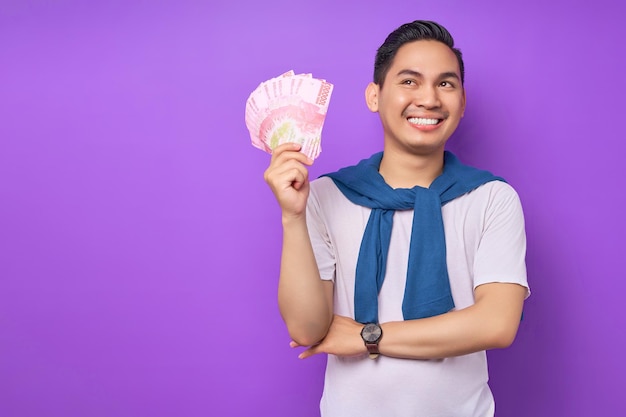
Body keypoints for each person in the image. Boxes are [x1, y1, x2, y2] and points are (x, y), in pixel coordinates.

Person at [263, 20, 529, 417]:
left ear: (462, 101)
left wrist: (368, 337)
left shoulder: (491, 198)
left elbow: (496, 323)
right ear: (374, 95)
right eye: (409, 81)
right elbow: (306, 329)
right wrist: (291, 216)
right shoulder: (324, 195)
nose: (428, 98)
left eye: (445, 84)